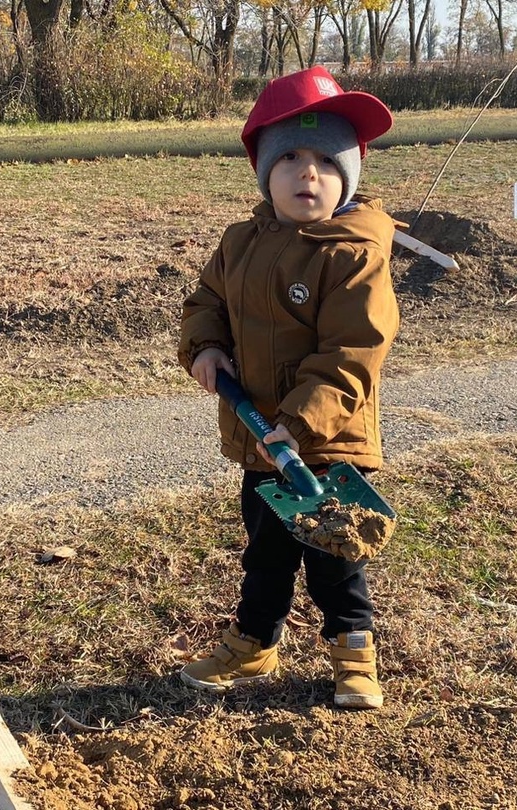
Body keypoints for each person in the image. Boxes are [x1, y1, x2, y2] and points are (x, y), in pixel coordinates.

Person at [177, 66, 400, 710]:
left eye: (329, 163)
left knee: (335, 556)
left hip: (324, 443)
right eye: (292, 159)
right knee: (266, 553)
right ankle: (255, 642)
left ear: (350, 178)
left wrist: (298, 426)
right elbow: (207, 300)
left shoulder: (352, 254)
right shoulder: (240, 242)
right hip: (259, 441)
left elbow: (352, 353)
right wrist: (205, 345)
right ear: (264, 172)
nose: (309, 174)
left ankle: (354, 651)